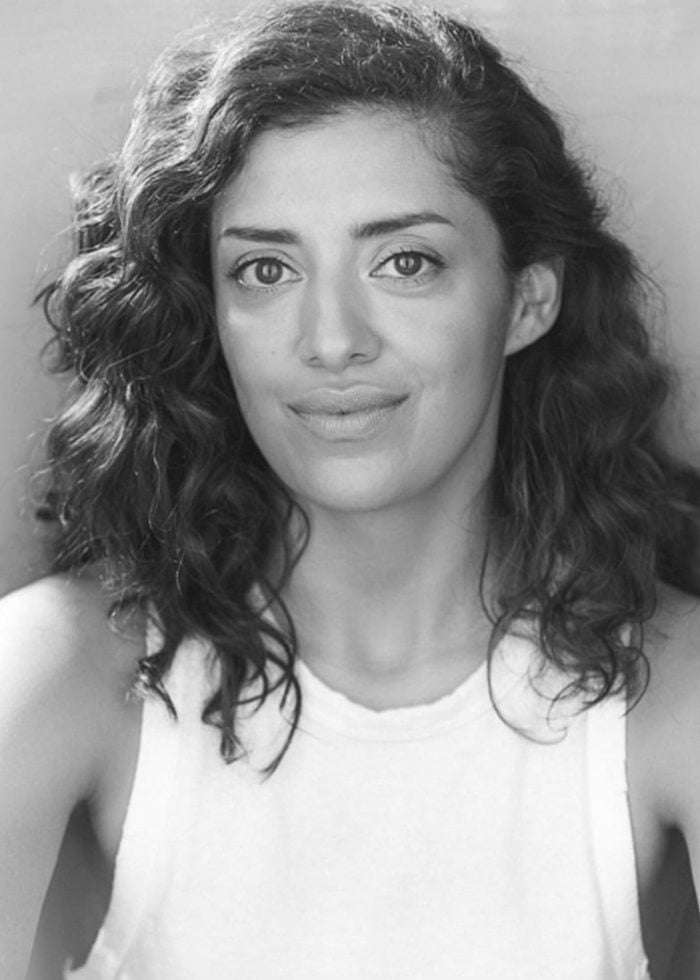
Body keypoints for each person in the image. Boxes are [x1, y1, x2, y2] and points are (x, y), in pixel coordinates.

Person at [2, 1, 700, 977]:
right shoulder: (51, 671)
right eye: (266, 268)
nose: (331, 338)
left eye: (403, 261)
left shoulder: (675, 692)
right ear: (214, 312)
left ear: (525, 300)